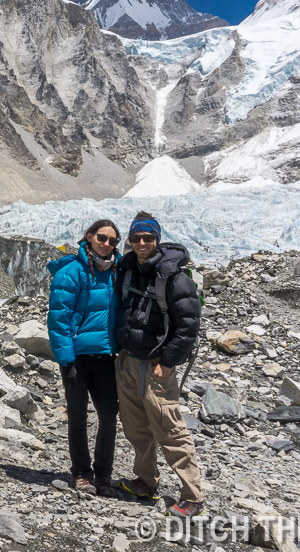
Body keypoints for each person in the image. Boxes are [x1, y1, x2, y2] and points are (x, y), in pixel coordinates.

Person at [114, 212, 205, 519]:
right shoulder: (127, 269)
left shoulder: (174, 277)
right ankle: (146, 481)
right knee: (136, 427)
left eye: (148, 238)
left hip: (156, 365)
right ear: (130, 240)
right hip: (128, 359)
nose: (142, 243)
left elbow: (188, 326)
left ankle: (193, 495)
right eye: (137, 238)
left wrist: (167, 363)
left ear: (157, 239)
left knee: (169, 428)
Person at [46, 219, 121, 497]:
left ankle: (103, 474)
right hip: (77, 358)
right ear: (89, 237)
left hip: (105, 357)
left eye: (112, 241)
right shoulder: (71, 273)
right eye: (102, 238)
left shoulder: (116, 272)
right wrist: (66, 361)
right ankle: (81, 473)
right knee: (78, 416)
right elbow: (58, 320)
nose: (106, 244)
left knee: (109, 416)